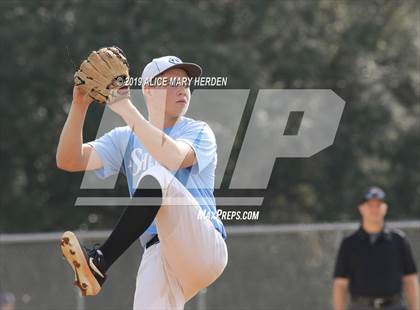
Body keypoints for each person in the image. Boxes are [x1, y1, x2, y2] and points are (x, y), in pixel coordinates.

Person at [57, 55, 228, 309]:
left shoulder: (198, 131)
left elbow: (172, 156)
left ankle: (100, 261)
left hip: (201, 245)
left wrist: (125, 108)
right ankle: (98, 266)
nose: (182, 88)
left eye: (185, 82)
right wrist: (79, 105)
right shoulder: (124, 138)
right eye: (172, 82)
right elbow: (69, 160)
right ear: (148, 90)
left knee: (158, 176)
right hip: (158, 254)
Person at [332, 186, 419, 310]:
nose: (374, 209)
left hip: (394, 306)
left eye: (378, 205)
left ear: (385, 208)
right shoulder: (349, 244)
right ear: (361, 208)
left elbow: (410, 278)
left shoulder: (398, 240)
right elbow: (340, 283)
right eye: (370, 205)